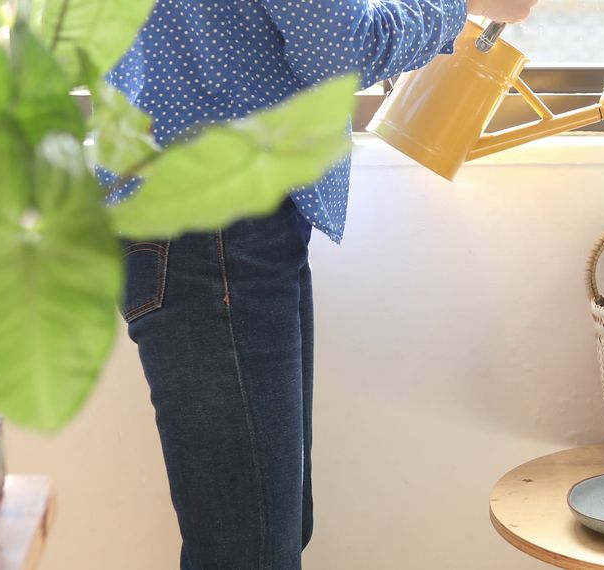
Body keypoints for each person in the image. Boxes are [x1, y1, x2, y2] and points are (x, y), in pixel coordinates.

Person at [111, 1, 537, 568]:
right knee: (252, 545)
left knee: (260, 531)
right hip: (214, 230)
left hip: (204, 221)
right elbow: (338, 47)